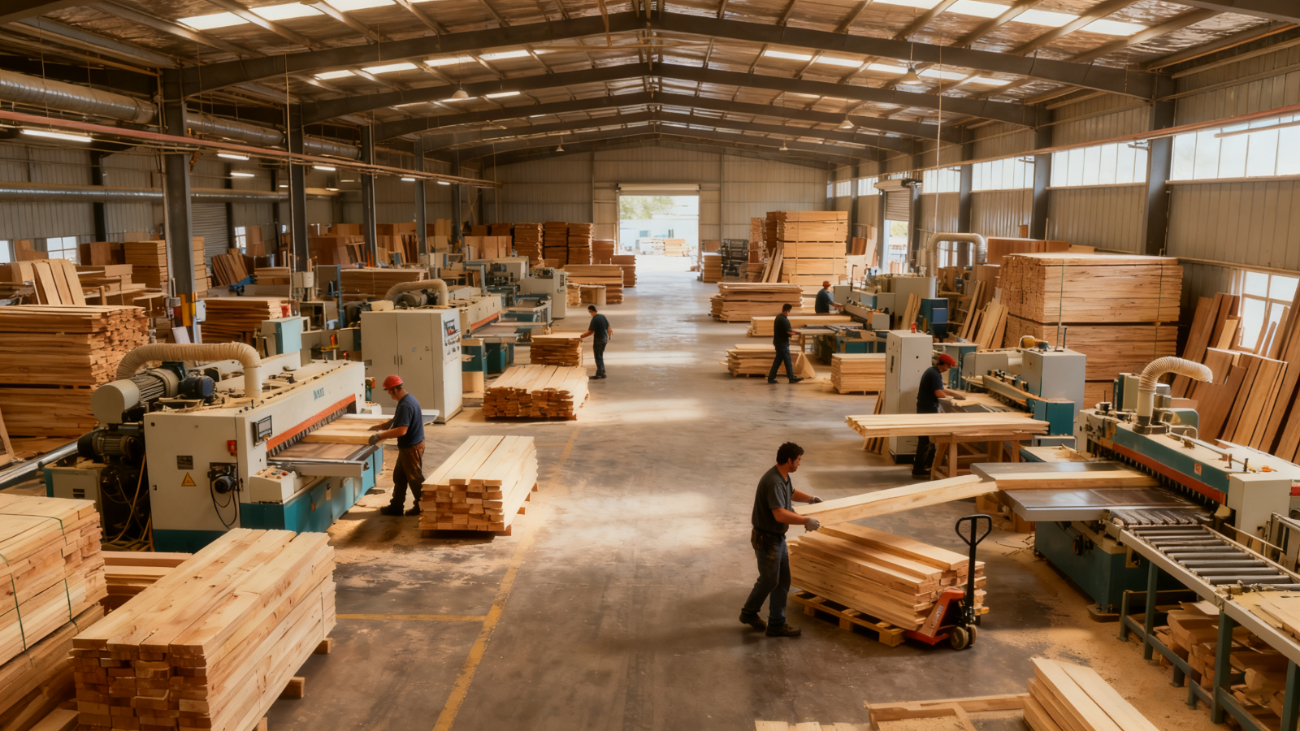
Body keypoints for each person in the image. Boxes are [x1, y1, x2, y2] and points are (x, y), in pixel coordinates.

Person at [740, 442, 824, 638]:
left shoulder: (783, 476)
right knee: (770, 580)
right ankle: (749, 613)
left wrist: (811, 499)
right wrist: (806, 520)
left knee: (783, 580)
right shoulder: (774, 481)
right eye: (798, 460)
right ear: (789, 460)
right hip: (767, 538)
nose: (799, 464)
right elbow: (779, 514)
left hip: (777, 537)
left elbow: (792, 493)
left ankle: (776, 623)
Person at [368, 375, 426, 517]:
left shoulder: (406, 404)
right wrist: (384, 425)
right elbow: (398, 419)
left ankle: (423, 507)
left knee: (415, 479)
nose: (389, 394)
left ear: (394, 389)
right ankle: (396, 507)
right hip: (408, 447)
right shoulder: (407, 399)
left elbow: (401, 430)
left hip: (411, 448)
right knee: (399, 477)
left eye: (389, 391)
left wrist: (379, 436)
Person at [912, 353, 963, 478]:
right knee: (927, 440)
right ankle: (920, 469)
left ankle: (925, 466)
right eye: (948, 366)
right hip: (928, 409)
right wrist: (951, 399)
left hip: (924, 407)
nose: (948, 369)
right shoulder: (935, 374)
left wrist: (954, 393)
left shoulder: (932, 371)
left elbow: (940, 389)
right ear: (944, 364)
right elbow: (938, 393)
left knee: (926, 439)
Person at [768, 303, 804, 385]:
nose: (789, 313)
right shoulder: (784, 319)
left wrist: (796, 331)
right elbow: (788, 331)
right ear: (787, 310)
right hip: (782, 343)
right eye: (789, 311)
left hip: (778, 342)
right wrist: (798, 333)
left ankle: (771, 377)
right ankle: (791, 377)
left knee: (778, 360)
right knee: (787, 360)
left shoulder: (778, 317)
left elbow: (788, 329)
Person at [579, 305, 612, 379]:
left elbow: (591, 331)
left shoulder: (594, 319)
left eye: (589, 312)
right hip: (605, 339)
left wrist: (581, 336)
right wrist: (609, 336)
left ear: (591, 311)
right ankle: (601, 372)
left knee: (598, 356)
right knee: (600, 355)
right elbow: (609, 327)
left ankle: (600, 373)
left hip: (599, 340)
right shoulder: (602, 316)